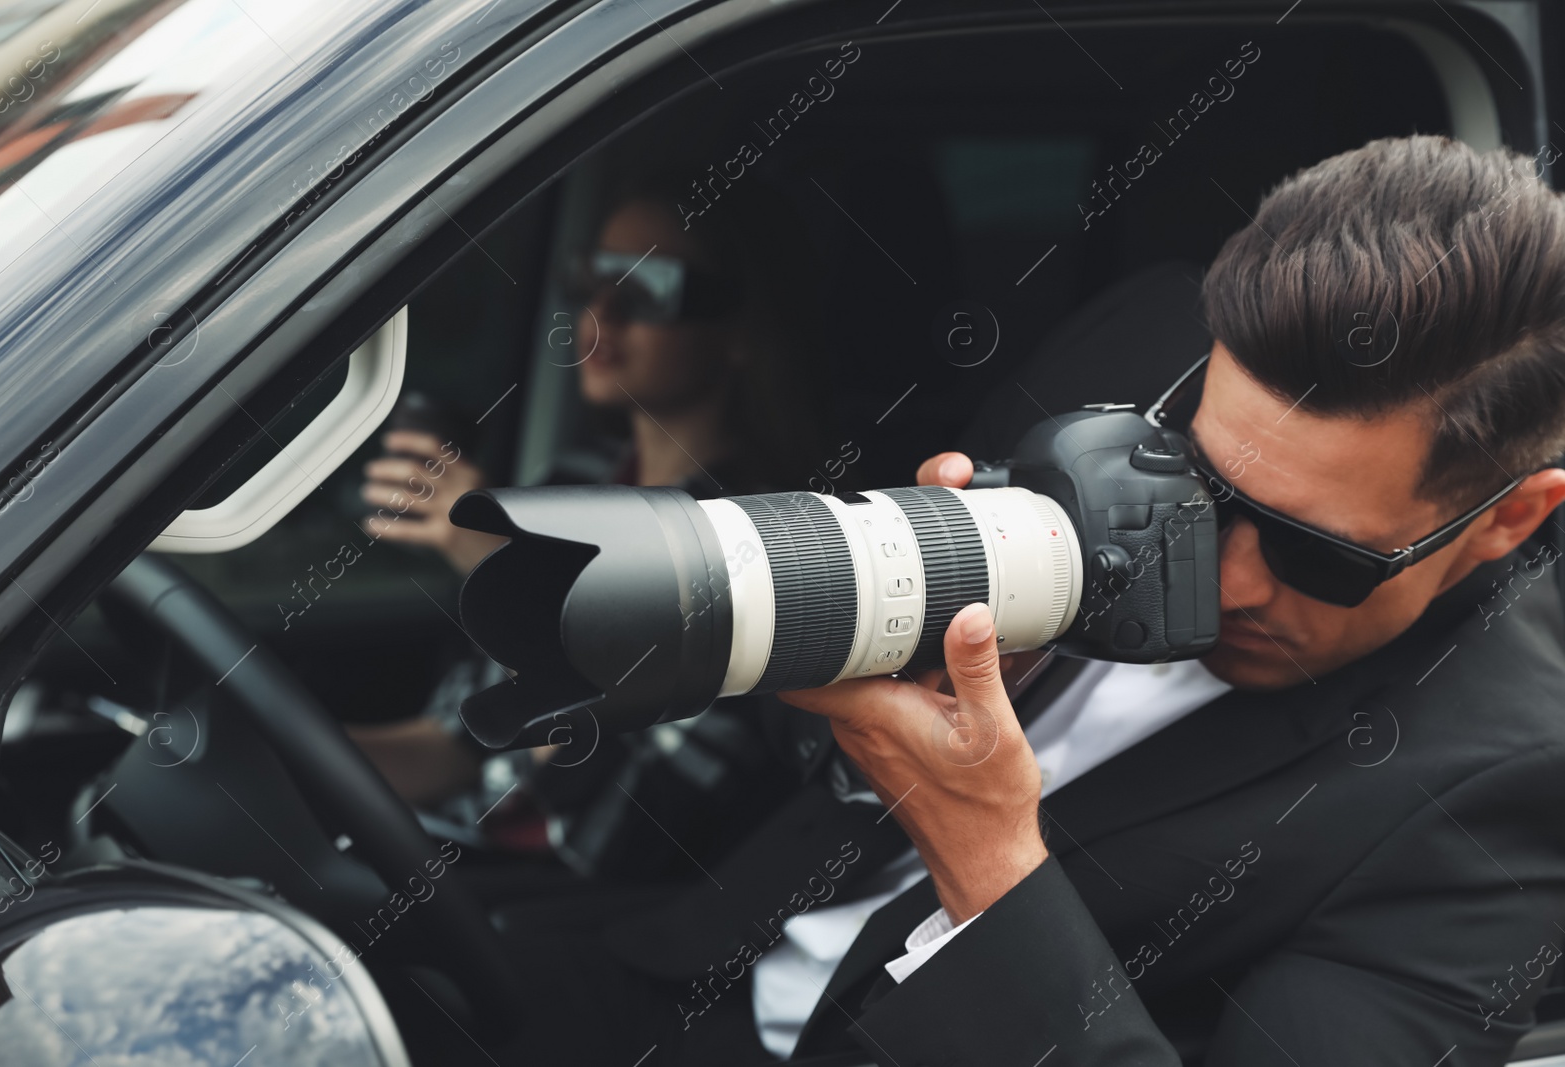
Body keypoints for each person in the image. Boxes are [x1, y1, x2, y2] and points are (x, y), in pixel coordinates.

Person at [479, 134, 1565, 1066]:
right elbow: (810, 756)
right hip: (694, 954)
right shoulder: (1140, 349)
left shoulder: (1509, 786)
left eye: (1320, 556)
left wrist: (986, 855)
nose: (1228, 576)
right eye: (1199, 485)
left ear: (1509, 518)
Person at [347, 172, 831, 882]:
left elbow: (631, 830)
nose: (602, 310)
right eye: (591, 280)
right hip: (462, 863)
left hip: (573, 919)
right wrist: (286, 756)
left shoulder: (763, 544)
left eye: (646, 288)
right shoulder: (569, 485)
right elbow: (457, 744)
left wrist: (519, 590)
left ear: (738, 331)